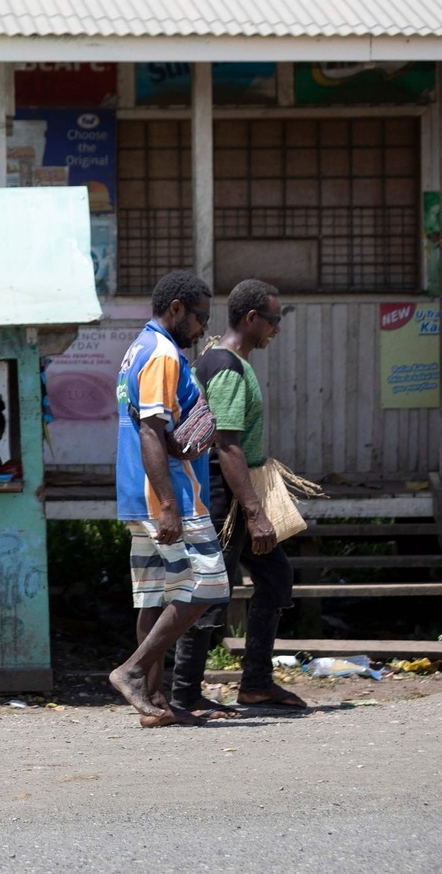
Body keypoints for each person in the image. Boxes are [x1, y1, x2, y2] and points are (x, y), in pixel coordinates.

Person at [170, 279, 305, 715]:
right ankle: (185, 693)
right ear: (251, 319)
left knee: (275, 578)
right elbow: (226, 444)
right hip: (226, 495)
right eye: (273, 321)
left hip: (238, 491)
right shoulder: (225, 366)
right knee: (212, 588)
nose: (276, 330)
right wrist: (254, 512)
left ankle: (256, 685)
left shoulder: (223, 360)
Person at [109, 269, 227, 728]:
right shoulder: (162, 353)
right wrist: (170, 505)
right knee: (210, 584)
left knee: (154, 597)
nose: (202, 327)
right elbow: (149, 431)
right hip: (169, 496)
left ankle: (155, 704)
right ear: (176, 308)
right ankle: (134, 671)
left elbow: (157, 428)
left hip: (138, 494)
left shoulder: (139, 348)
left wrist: (188, 440)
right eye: (199, 317)